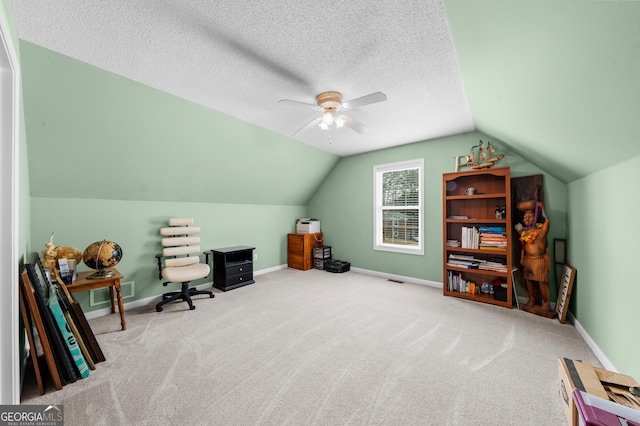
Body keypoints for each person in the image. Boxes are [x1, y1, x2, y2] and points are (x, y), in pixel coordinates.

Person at [517, 201, 553, 314]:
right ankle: (531, 299)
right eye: (525, 217)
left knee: (542, 282)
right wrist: (522, 257)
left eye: (530, 216)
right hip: (528, 259)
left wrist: (543, 210)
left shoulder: (540, 231)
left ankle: (546, 302)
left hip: (539, 259)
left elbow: (547, 221)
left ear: (535, 218)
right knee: (528, 280)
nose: (527, 219)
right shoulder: (523, 232)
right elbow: (523, 246)